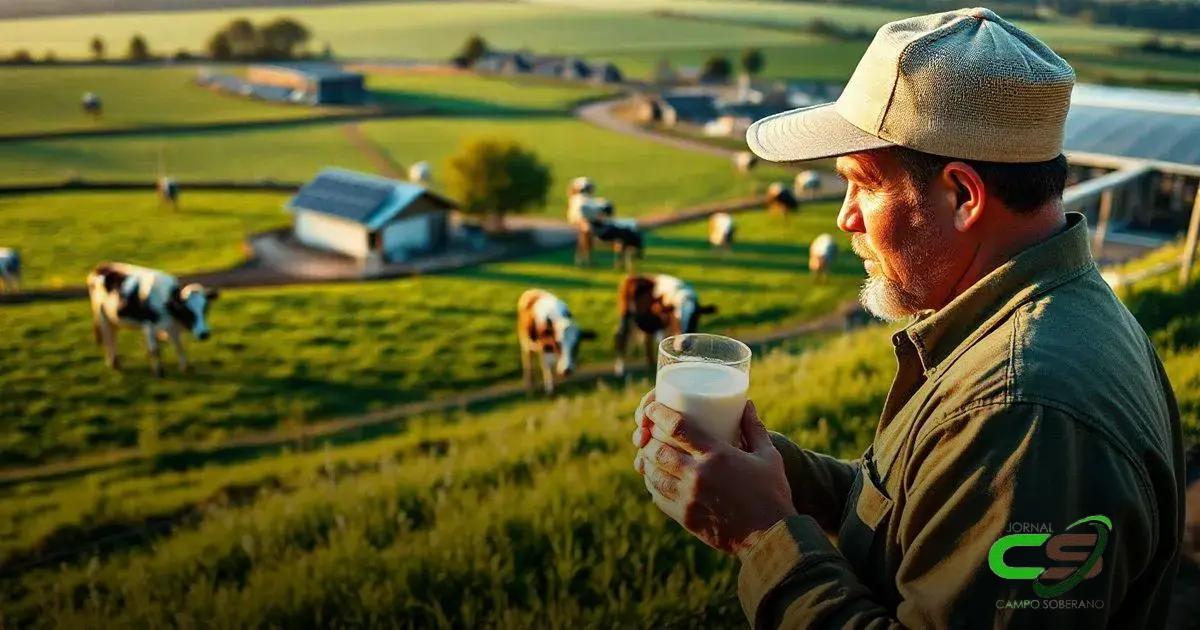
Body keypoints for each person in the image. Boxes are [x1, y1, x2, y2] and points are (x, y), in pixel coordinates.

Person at [632, 8, 1185, 628]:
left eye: (863, 184)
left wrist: (763, 538)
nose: (846, 218)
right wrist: (773, 473)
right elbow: (924, 517)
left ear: (962, 196)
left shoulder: (1021, 416)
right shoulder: (1044, 313)